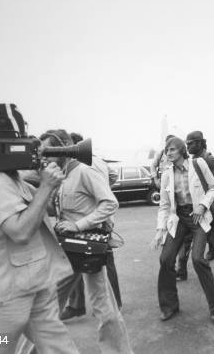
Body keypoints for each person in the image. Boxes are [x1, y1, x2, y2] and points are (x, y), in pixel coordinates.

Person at [0, 123, 79, 354]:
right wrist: (46, 186)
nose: (32, 147)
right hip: (3, 294)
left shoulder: (13, 178)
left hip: (33, 283)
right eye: (22, 141)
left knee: (60, 348)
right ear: (2, 148)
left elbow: (41, 211)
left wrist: (50, 184)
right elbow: (21, 231)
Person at [41, 129, 134, 354]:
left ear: (63, 148)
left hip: (86, 250)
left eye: (49, 151)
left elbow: (110, 203)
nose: (45, 156)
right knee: (44, 309)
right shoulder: (60, 175)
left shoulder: (84, 171)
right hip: (66, 250)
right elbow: (57, 209)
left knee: (105, 310)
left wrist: (78, 225)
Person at [152, 136, 214, 323]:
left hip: (198, 216)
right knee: (165, 258)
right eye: (167, 151)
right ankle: (169, 306)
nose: (168, 153)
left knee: (198, 259)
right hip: (180, 219)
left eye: (172, 150)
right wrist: (160, 230)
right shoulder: (166, 173)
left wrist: (203, 205)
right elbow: (164, 206)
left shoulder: (198, 164)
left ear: (182, 150)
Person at [58, 132, 123, 320]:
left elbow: (109, 202)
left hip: (95, 224)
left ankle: (107, 306)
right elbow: (112, 175)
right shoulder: (98, 161)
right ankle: (107, 306)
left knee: (101, 264)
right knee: (91, 266)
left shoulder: (84, 168)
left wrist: (97, 194)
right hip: (92, 224)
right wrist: (103, 189)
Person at [176, 130, 214, 287]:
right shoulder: (194, 160)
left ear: (201, 143)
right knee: (192, 238)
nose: (187, 146)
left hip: (210, 207)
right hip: (197, 208)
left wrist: (206, 204)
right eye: (186, 143)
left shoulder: (209, 159)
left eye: (191, 143)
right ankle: (182, 270)